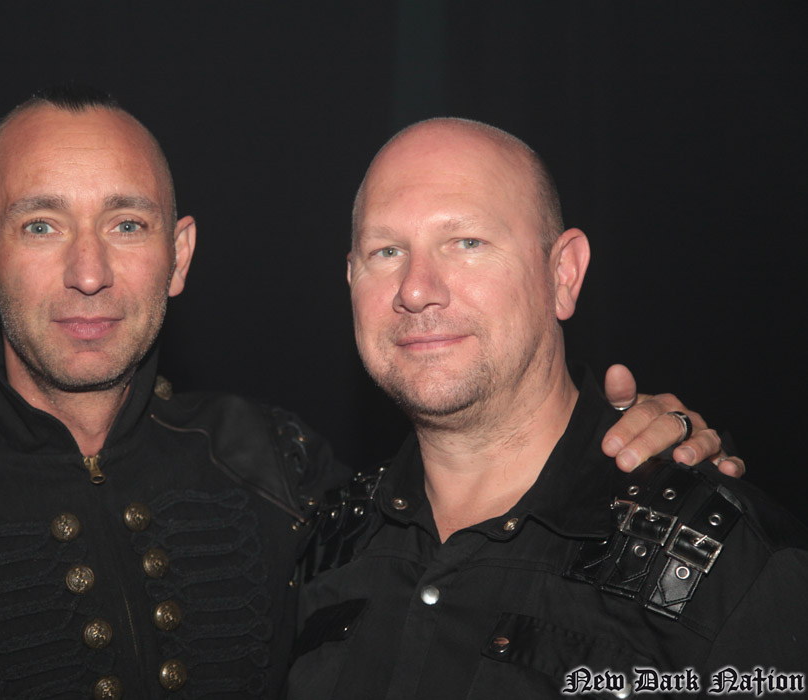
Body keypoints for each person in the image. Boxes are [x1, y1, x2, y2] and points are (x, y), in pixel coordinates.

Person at [0, 88, 726, 700]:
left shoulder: (286, 470)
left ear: (179, 254)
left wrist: (638, 456)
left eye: (127, 224)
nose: (90, 273)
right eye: (41, 227)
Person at [288, 119, 808, 699]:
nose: (415, 289)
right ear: (351, 279)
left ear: (563, 274)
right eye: (386, 251)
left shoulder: (732, 567)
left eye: (467, 243)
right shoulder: (317, 551)